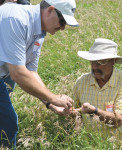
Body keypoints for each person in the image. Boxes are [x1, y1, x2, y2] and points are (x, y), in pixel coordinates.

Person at [0, 0, 78, 148]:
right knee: (8, 122)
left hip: (3, 73)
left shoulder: (40, 31)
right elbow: (18, 73)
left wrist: (50, 103)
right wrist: (53, 98)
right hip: (5, 73)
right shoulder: (16, 19)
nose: (62, 28)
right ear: (50, 10)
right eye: (62, 21)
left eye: (65, 24)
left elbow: (30, 70)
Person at [70, 38, 122, 149]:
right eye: (92, 61)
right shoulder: (82, 81)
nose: (94, 67)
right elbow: (75, 112)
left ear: (113, 61)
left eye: (100, 62)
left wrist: (94, 111)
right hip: (91, 146)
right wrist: (66, 110)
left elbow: (118, 120)